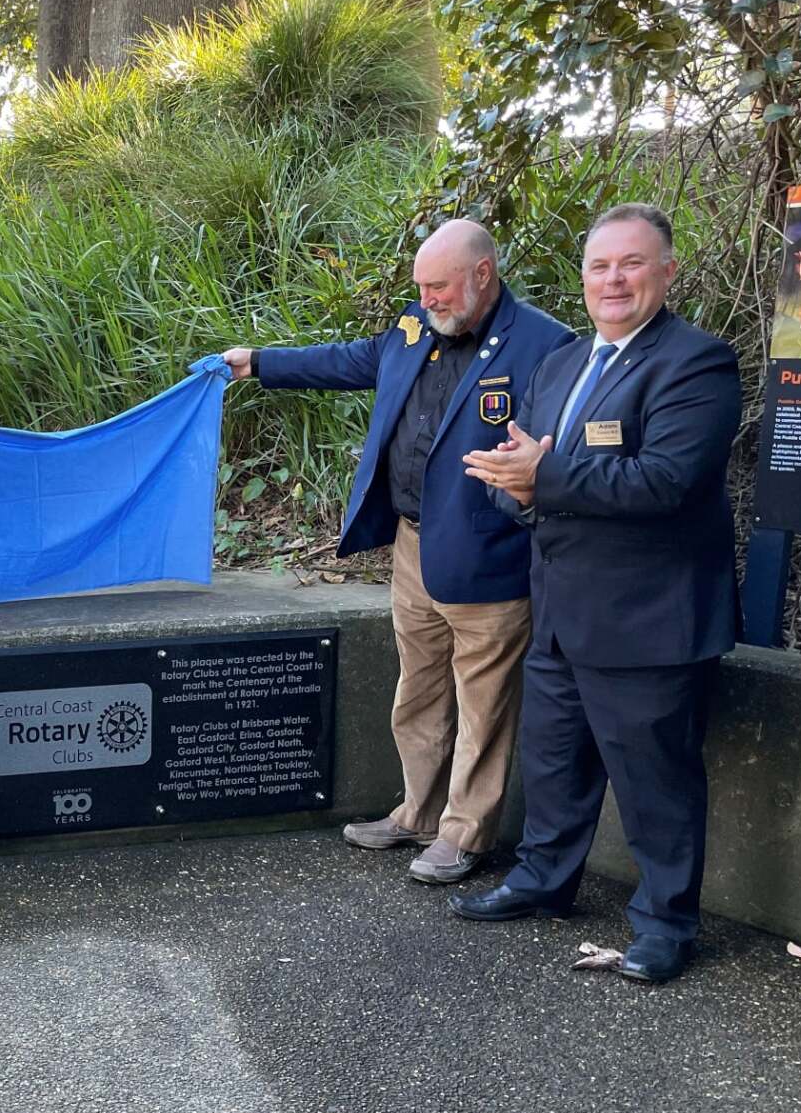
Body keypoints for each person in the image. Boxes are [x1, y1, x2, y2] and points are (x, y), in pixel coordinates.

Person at [222, 219, 573, 884]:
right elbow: (351, 359)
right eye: (422, 286)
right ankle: (417, 811)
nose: (428, 298)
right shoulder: (418, 328)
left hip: (488, 554)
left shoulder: (547, 346)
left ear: (483, 274)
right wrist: (261, 363)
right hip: (414, 543)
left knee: (483, 704)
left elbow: (551, 461)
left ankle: (464, 835)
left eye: (439, 286)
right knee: (420, 687)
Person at [457, 203, 742, 985]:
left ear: (667, 273)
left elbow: (667, 482)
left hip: (648, 621)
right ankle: (544, 881)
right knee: (554, 766)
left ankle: (664, 924)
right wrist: (514, 490)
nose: (612, 279)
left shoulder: (697, 363)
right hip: (559, 608)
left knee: (657, 784)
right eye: (598, 266)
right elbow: (524, 463)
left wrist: (540, 477)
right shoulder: (561, 363)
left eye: (631, 263)